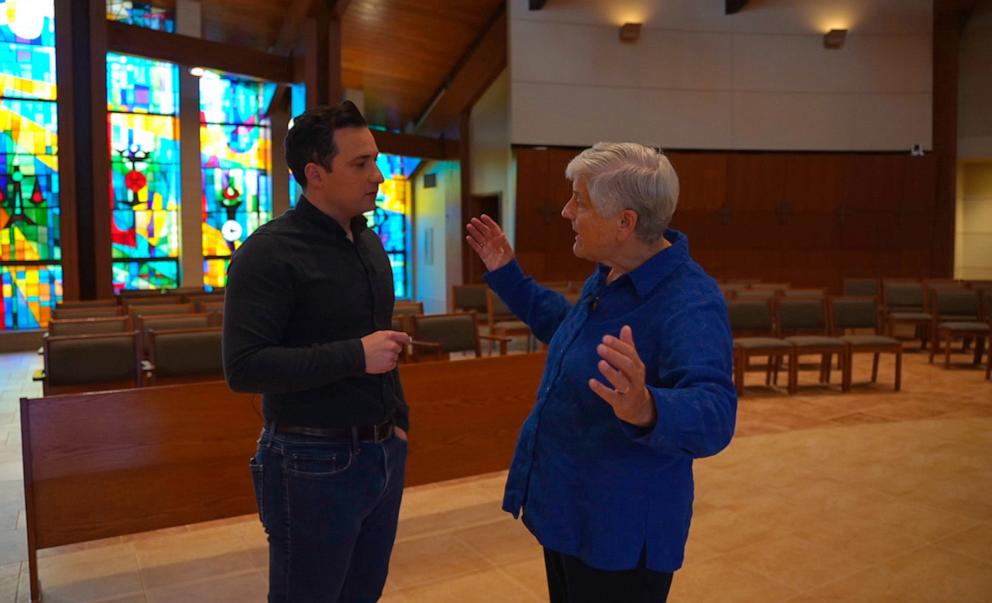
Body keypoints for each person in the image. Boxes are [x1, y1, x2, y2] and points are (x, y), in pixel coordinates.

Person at [466, 142, 736, 602]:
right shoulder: (613, 273)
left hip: (619, 532)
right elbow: (568, 330)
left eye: (580, 201)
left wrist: (648, 406)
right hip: (573, 511)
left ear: (624, 223)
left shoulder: (689, 300)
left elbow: (715, 413)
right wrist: (507, 274)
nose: (567, 211)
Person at [223, 101, 411, 603]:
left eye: (376, 159)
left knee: (361, 593)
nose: (378, 175)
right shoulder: (268, 253)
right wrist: (355, 355)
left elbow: (379, 343)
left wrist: (397, 425)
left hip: (380, 452)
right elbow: (243, 367)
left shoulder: (368, 243)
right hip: (311, 461)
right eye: (360, 164)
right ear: (315, 173)